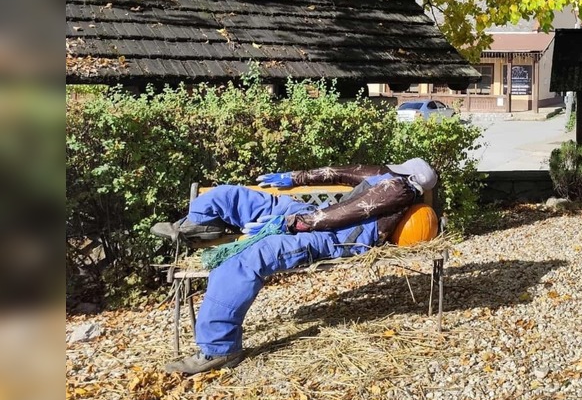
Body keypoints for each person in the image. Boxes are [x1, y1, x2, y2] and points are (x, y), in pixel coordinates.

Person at [151, 159, 438, 375]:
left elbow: (348, 212)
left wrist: (293, 223)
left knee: (243, 261)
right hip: (316, 220)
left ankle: (219, 349)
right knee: (230, 196)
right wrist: (295, 177)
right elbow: (341, 173)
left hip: (333, 238)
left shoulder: (399, 189)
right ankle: (198, 226)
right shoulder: (389, 176)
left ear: (410, 177)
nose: (390, 172)